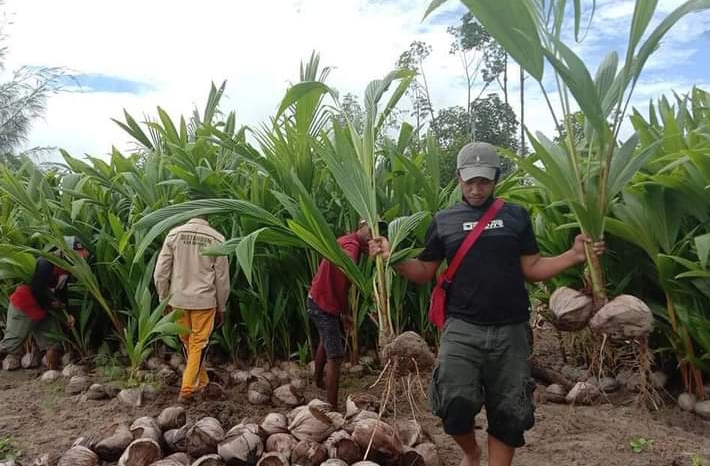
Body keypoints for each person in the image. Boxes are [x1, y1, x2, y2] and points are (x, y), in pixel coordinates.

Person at [369, 142, 605, 466]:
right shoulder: (444, 220)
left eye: (484, 181)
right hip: (462, 328)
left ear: (495, 178)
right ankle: (472, 452)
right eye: (470, 181)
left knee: (509, 411)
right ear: (458, 178)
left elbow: (531, 268)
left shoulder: (515, 216)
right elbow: (425, 271)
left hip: (511, 331)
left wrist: (574, 256)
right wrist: (391, 256)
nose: (476, 189)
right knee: (453, 400)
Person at [153, 216, 230, 403]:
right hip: (204, 300)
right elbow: (222, 278)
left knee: (188, 342)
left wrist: (164, 299)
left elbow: (160, 272)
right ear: (209, 218)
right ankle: (187, 388)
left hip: (178, 299)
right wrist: (222, 306)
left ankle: (202, 381)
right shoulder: (217, 239)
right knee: (198, 343)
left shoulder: (174, 235)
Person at [308, 219, 383, 410]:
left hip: (320, 301)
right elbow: (347, 262)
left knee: (326, 340)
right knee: (336, 356)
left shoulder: (345, 239)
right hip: (323, 305)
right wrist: (352, 263)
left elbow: (341, 284)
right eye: (370, 231)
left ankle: (317, 381)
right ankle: (332, 406)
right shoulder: (352, 244)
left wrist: (345, 313)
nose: (373, 237)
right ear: (361, 227)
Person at [0, 236, 88, 370]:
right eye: (77, 252)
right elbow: (36, 290)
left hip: (43, 308)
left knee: (53, 343)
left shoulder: (66, 268)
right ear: (65, 251)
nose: (82, 256)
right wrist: (52, 304)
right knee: (11, 345)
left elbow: (62, 291)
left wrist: (68, 313)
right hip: (25, 306)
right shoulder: (45, 262)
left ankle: (53, 375)